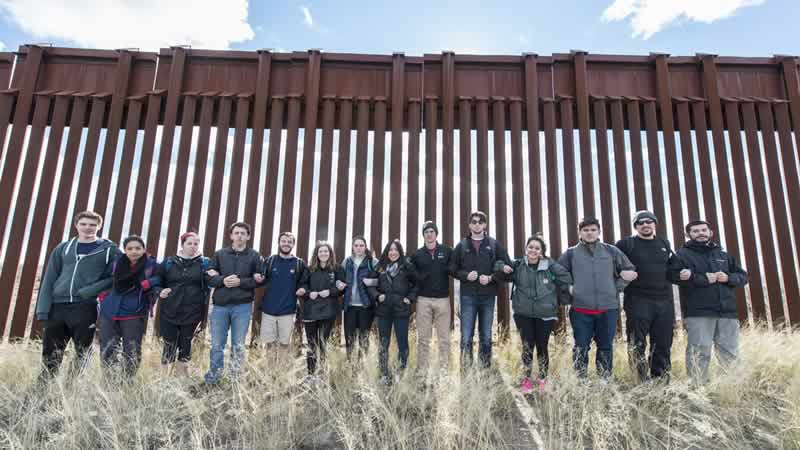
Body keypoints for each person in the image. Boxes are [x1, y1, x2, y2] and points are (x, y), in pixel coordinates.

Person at [35, 211, 119, 379]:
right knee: (51, 349)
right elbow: (50, 277)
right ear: (76, 225)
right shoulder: (63, 248)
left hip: (85, 306)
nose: (88, 228)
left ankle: (73, 385)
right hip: (58, 306)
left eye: (92, 225)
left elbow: (116, 277)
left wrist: (89, 291)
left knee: (82, 349)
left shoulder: (109, 250)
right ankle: (45, 384)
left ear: (99, 226)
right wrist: (43, 309)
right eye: (84, 224)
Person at [668, 220, 748, 385]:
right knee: (699, 352)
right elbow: (671, 275)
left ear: (710, 232)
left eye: (704, 230)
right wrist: (702, 278)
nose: (700, 233)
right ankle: (697, 389)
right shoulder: (681, 255)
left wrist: (728, 278)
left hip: (727, 312)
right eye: (695, 231)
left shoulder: (722, 254)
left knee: (730, 352)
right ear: (688, 235)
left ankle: (730, 388)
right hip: (699, 312)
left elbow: (743, 277)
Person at [558, 218, 636, 379]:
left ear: (598, 232)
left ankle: (604, 379)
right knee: (581, 346)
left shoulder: (611, 251)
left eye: (593, 230)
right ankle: (581, 379)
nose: (589, 233)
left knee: (606, 346)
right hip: (580, 309)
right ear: (580, 233)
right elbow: (558, 274)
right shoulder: (571, 253)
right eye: (585, 230)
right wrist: (569, 288)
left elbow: (629, 270)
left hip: (608, 308)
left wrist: (617, 287)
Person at [498, 235, 572, 393]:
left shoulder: (549, 265)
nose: (533, 250)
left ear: (542, 252)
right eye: (530, 247)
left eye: (537, 248)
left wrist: (552, 277)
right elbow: (500, 267)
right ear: (526, 249)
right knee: (527, 346)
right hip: (523, 313)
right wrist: (502, 267)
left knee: (542, 346)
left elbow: (566, 277)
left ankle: (543, 379)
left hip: (545, 313)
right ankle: (526, 380)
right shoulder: (518, 264)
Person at [616, 211, 677, 382]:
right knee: (637, 344)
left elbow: (672, 269)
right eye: (640, 222)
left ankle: (661, 382)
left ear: (654, 224)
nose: (645, 225)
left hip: (664, 302)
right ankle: (640, 382)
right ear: (636, 226)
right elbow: (613, 266)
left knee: (663, 344)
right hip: (637, 301)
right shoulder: (626, 244)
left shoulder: (664, 243)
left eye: (649, 221)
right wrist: (622, 274)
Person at [450, 211, 513, 370]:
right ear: (470, 225)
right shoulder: (462, 245)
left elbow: (507, 267)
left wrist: (491, 278)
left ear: (485, 225)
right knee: (466, 338)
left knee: (485, 336)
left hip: (488, 298)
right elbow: (451, 269)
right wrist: (465, 276)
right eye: (474, 222)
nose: (477, 224)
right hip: (467, 298)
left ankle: (485, 371)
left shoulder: (493, 244)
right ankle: (466, 372)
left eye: (480, 222)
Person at [203, 222, 263, 385]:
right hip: (220, 307)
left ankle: (235, 380)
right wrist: (223, 280)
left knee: (238, 345)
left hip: (242, 307)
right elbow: (208, 277)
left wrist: (240, 282)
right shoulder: (220, 254)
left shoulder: (254, 256)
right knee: (216, 345)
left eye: (243, 233)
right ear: (231, 236)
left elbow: (259, 280)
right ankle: (214, 378)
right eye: (236, 233)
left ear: (248, 236)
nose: (239, 236)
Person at [98, 235, 160, 377]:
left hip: (134, 311)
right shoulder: (117, 262)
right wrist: (103, 297)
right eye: (130, 248)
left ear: (144, 249)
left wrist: (148, 283)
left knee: (131, 349)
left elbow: (160, 278)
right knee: (108, 347)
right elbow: (104, 278)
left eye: (138, 248)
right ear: (124, 250)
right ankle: (109, 380)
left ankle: (127, 381)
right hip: (110, 310)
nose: (134, 251)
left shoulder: (151, 264)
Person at [155, 232, 211, 376]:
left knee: (186, 344)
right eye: (189, 243)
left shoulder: (204, 263)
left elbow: (211, 282)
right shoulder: (169, 262)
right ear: (183, 245)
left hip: (192, 311)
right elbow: (156, 281)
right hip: (170, 310)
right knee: (169, 344)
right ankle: (164, 379)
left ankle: (182, 380)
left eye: (196, 244)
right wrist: (160, 291)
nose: (193, 246)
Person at [366, 239, 417, 385]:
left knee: (402, 343)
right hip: (384, 310)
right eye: (390, 250)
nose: (393, 252)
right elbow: (369, 285)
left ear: (400, 252)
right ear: (387, 252)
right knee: (383, 343)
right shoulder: (379, 267)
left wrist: (410, 298)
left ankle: (401, 373)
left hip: (401, 310)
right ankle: (384, 374)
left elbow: (416, 284)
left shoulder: (407, 266)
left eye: (396, 250)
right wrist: (377, 296)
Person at [410, 221, 453, 376]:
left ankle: (444, 371)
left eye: (432, 231)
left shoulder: (447, 251)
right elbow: (411, 274)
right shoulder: (417, 255)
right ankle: (422, 371)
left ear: (436, 234)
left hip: (443, 300)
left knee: (444, 339)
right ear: (423, 235)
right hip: (424, 300)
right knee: (423, 339)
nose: (429, 234)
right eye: (426, 231)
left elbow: (455, 266)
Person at [299, 241, 346, 383]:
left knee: (322, 342)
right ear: (317, 254)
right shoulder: (309, 269)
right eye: (321, 251)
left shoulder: (337, 269)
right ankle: (310, 374)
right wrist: (308, 293)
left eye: (326, 251)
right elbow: (302, 285)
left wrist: (330, 291)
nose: (323, 254)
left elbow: (341, 287)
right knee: (312, 343)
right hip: (311, 310)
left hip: (328, 310)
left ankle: (321, 373)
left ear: (330, 253)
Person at [259, 232, 307, 358]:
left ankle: (281, 373)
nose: (286, 244)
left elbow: (305, 282)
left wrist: (302, 288)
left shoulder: (299, 263)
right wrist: (258, 277)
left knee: (284, 344)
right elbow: (261, 278)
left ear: (293, 244)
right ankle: (270, 375)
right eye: (284, 241)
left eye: (289, 242)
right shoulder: (270, 261)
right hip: (268, 310)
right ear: (279, 243)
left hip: (288, 310)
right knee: (269, 344)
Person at [342, 236, 378, 361]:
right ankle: (350, 363)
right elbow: (339, 278)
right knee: (349, 338)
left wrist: (372, 281)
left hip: (366, 306)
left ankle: (362, 365)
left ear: (365, 247)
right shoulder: (347, 261)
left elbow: (381, 280)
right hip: (350, 306)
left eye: (361, 245)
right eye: (356, 245)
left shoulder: (372, 262)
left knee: (364, 338)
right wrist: (338, 284)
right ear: (352, 247)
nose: (358, 248)